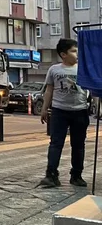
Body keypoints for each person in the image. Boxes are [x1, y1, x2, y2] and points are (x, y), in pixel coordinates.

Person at [40, 38, 89, 188]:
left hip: (80, 111)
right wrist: (44, 108)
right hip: (59, 111)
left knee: (78, 145)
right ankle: (51, 175)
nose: (77, 54)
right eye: (73, 51)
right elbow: (49, 90)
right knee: (55, 143)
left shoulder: (83, 68)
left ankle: (76, 175)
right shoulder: (54, 70)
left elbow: (92, 90)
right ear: (63, 54)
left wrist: (99, 107)